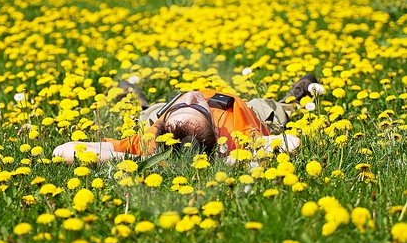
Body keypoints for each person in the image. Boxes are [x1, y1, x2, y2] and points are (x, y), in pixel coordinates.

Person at [52, 74, 319, 163]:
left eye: (182, 104)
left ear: (163, 131)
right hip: (250, 110)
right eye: (197, 106)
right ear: (216, 127)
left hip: (160, 116)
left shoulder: (153, 137)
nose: (190, 95)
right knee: (273, 109)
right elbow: (291, 143)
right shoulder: (239, 138)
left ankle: (139, 101)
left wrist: (141, 160)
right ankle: (294, 98)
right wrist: (229, 161)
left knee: (147, 114)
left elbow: (62, 151)